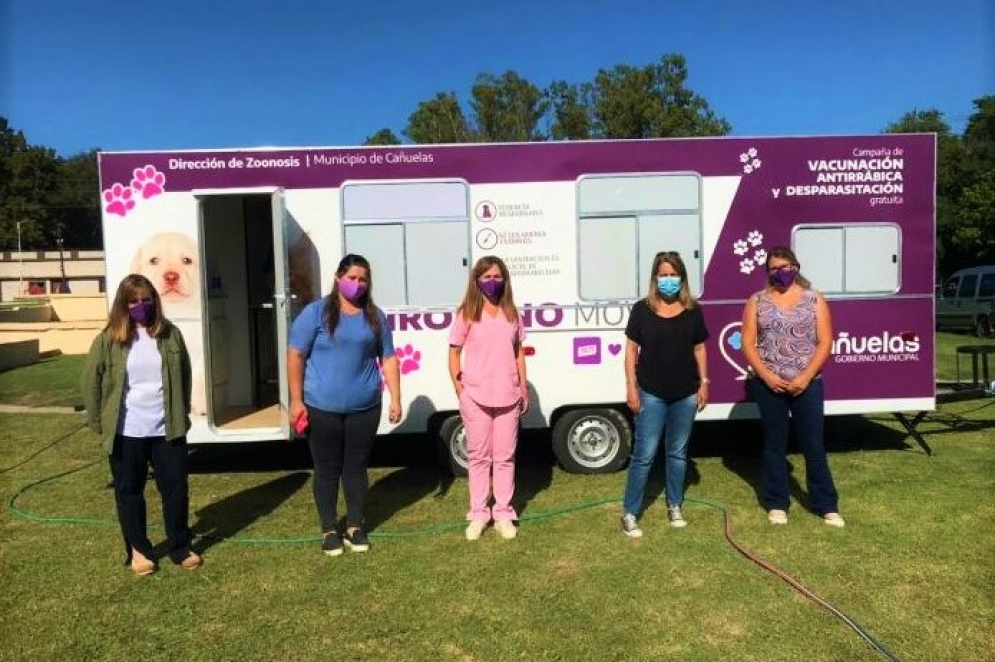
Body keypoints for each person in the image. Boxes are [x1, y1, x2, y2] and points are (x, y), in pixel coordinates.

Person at [81, 274, 202, 576]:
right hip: (126, 432)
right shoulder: (109, 338)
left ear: (154, 301)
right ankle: (138, 550)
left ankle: (179, 546)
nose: (140, 305)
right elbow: (90, 381)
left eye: (146, 299)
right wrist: (99, 423)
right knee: (129, 491)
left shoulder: (169, 334)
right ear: (124, 303)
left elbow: (184, 373)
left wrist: (182, 412)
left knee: (176, 490)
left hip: (166, 430)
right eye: (134, 300)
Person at [288, 254, 402, 556]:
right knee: (326, 469)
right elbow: (296, 355)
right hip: (321, 408)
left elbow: (388, 358)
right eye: (351, 277)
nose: (357, 284)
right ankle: (328, 529)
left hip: (365, 408)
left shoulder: (375, 316)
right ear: (339, 277)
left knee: (356, 468)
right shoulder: (316, 313)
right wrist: (297, 400)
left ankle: (354, 526)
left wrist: (396, 398)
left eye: (363, 279)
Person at [740, 246, 845, 527]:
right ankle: (777, 502)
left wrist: (805, 377)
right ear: (768, 272)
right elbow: (748, 343)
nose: (780, 272)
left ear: (796, 267)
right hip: (769, 385)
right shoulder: (757, 301)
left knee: (814, 446)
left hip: (807, 384)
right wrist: (766, 375)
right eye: (774, 268)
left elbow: (825, 341)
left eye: (785, 266)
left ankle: (826, 505)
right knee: (774, 445)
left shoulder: (814, 299)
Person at [620, 251, 710, 538]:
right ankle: (630, 513)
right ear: (655, 277)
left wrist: (704, 383)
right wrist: (631, 386)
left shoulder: (693, 310)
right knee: (643, 454)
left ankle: (674, 505)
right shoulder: (641, 309)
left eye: (673, 275)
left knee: (678, 453)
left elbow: (700, 348)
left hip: (685, 393)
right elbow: (631, 350)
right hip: (651, 393)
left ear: (682, 277)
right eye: (663, 274)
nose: (668, 280)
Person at [448, 256, 528, 541]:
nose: (491, 281)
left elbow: (518, 350)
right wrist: (461, 390)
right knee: (479, 457)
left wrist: (523, 388)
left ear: (504, 279)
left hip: (508, 395)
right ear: (476, 281)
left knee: (505, 457)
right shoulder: (467, 313)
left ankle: (504, 513)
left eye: (496, 276)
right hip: (476, 397)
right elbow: (454, 351)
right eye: (485, 276)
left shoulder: (511, 313)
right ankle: (478, 514)